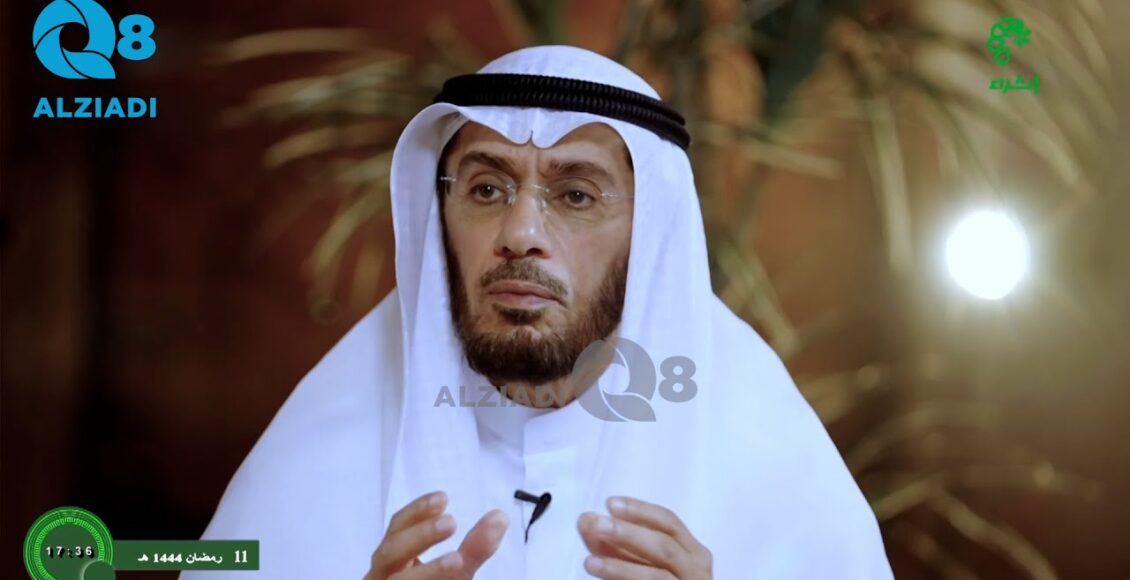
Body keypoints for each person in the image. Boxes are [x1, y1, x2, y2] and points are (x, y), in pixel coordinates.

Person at [185, 45, 893, 579]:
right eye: (487, 190)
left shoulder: (771, 465)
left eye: (576, 196)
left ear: (648, 239)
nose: (520, 233)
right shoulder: (320, 456)